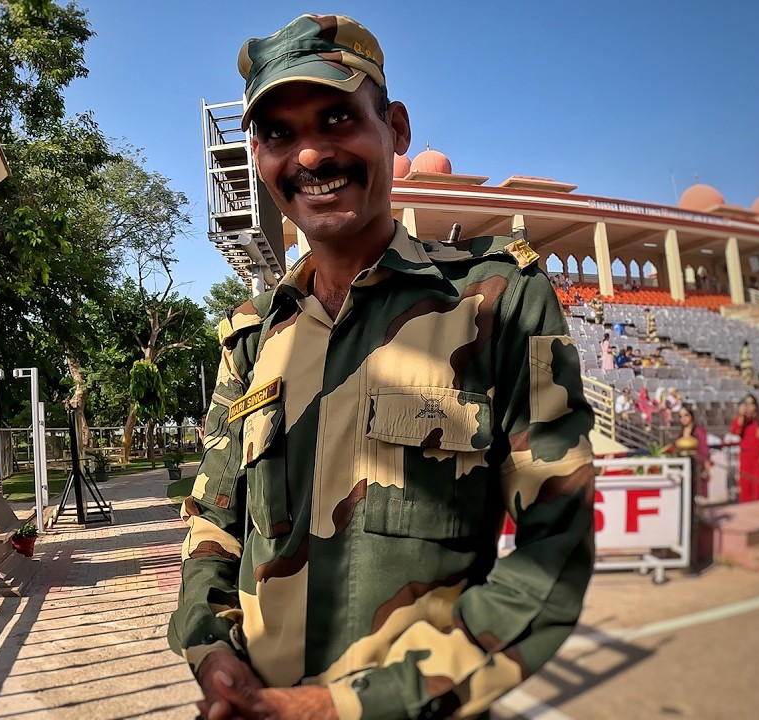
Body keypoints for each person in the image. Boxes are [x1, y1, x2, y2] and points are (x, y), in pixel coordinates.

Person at [167, 15, 595, 720]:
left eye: (336, 118)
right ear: (257, 154)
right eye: (278, 133)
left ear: (394, 129)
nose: (309, 154)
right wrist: (211, 654)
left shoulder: (495, 301)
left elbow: (557, 552)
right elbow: (212, 527)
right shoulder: (250, 338)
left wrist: (339, 708)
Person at [731, 393, 759, 503]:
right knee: (745, 487)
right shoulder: (740, 420)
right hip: (745, 457)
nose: (749, 406)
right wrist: (741, 416)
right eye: (746, 404)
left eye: (751, 404)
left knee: (758, 489)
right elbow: (735, 432)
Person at [670, 406, 711, 498]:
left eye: (686, 415)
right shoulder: (681, 432)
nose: (683, 418)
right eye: (680, 416)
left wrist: (705, 464)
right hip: (682, 464)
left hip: (696, 465)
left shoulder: (698, 431)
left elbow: (703, 448)